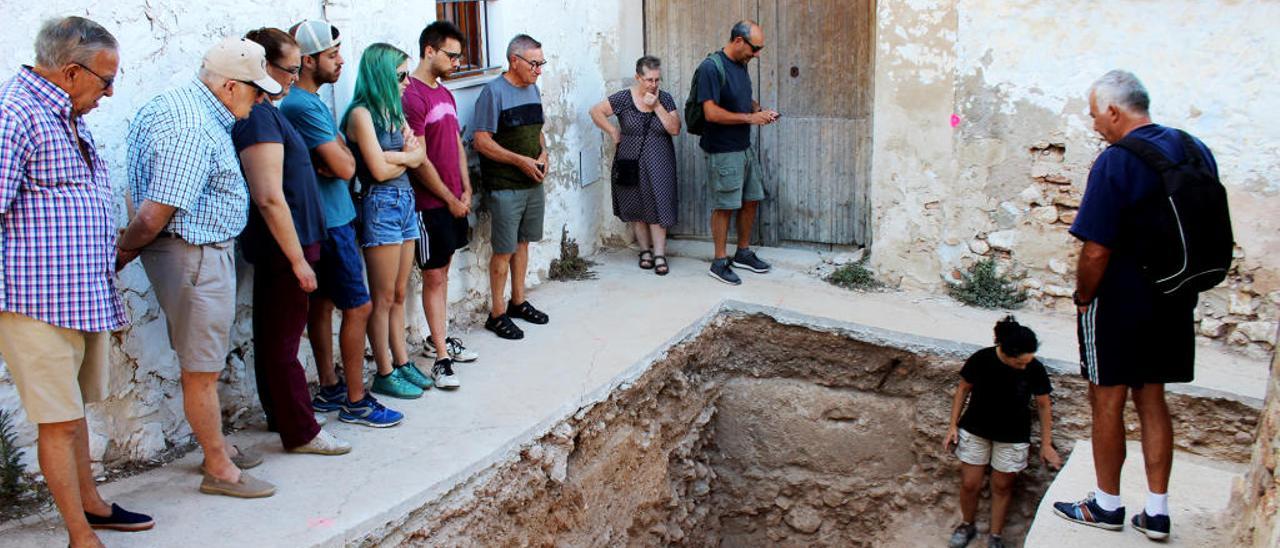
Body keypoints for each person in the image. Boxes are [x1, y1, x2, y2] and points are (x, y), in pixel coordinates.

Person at [0, 16, 153, 545]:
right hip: (34, 300)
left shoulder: (64, 110)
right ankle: (78, 536)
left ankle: (92, 505)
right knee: (57, 421)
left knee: (72, 412)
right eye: (106, 80)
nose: (110, 92)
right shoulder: (14, 115)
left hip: (77, 294)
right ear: (70, 71)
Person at [1052, 70, 1218, 541]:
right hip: (1175, 293)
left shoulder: (1115, 162)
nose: (1094, 125)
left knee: (1107, 399)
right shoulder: (1192, 148)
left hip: (1121, 299)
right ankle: (1158, 513)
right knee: (1153, 398)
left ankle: (1106, 505)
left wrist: (1084, 298)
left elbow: (1096, 250)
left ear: (1113, 110)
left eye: (1093, 115)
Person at [117, 37, 283, 498]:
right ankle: (218, 468)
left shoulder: (190, 106)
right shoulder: (191, 124)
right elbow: (155, 212)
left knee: (201, 360)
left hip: (197, 251)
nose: (262, 99)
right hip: (194, 252)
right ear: (230, 86)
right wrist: (125, 250)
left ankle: (217, 447)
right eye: (256, 90)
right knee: (202, 367)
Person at [233, 27, 354, 454]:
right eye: (288, 67)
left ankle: (282, 415)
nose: (293, 74)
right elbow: (268, 196)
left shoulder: (268, 111)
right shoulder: (260, 118)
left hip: (293, 240)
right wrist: (299, 260)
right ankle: (301, 431)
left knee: (274, 335)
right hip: (287, 245)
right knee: (284, 340)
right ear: (262, 67)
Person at [281, 21, 403, 427]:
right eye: (332, 55)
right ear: (307, 60)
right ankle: (355, 398)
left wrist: (338, 160)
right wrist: (339, 159)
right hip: (332, 220)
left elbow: (341, 164)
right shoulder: (302, 106)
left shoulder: (311, 103)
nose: (341, 61)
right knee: (360, 305)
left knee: (325, 304)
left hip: (330, 215)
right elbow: (345, 164)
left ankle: (331, 385)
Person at [341, 43, 432, 399]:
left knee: (398, 292)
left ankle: (401, 360)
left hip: (405, 201)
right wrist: (405, 157)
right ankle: (383, 370)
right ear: (381, 75)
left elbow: (420, 155)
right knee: (381, 297)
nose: (408, 82)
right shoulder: (361, 114)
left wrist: (401, 157)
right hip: (380, 205)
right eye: (400, 75)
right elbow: (377, 170)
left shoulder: (393, 111)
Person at [403, 20, 480, 388]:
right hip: (428, 204)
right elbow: (418, 159)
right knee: (433, 276)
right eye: (451, 55)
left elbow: (456, 148)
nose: (456, 62)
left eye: (459, 56)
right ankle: (440, 358)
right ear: (429, 50)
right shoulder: (412, 96)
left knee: (443, 274)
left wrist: (465, 190)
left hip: (453, 201)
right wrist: (448, 198)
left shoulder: (444, 94)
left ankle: (440, 339)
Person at [945, 317, 1062, 548]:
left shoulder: (1034, 368)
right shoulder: (982, 359)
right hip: (975, 429)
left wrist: (1047, 444)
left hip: (1013, 435)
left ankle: (995, 537)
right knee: (970, 483)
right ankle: (967, 524)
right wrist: (952, 426)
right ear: (1007, 354)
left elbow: (1044, 404)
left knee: (1002, 486)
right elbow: (962, 390)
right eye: (1020, 363)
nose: (1024, 367)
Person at [473, 34, 552, 341]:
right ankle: (497, 314)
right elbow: (481, 140)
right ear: (514, 61)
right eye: (534, 63)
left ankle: (518, 302)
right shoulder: (493, 93)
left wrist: (543, 154)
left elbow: (538, 132)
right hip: (505, 185)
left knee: (523, 244)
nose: (539, 70)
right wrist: (519, 161)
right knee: (503, 250)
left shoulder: (532, 89)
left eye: (542, 63)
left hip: (532, 182)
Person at [696, 20, 779, 286]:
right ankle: (719, 262)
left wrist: (758, 109)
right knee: (725, 206)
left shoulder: (741, 65)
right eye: (755, 48)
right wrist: (749, 119)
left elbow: (742, 98)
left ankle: (742, 252)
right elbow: (711, 112)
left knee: (752, 199)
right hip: (722, 150)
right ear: (739, 41)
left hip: (743, 147)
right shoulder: (710, 68)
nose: (757, 55)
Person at [590, 55, 681, 275]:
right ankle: (645, 251)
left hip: (659, 160)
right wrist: (613, 131)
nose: (653, 84)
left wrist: (657, 105)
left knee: (659, 203)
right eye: (649, 80)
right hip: (630, 159)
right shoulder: (623, 98)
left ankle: (659, 254)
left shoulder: (665, 99)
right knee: (636, 204)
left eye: (657, 80)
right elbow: (595, 111)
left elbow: (674, 129)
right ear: (637, 77)